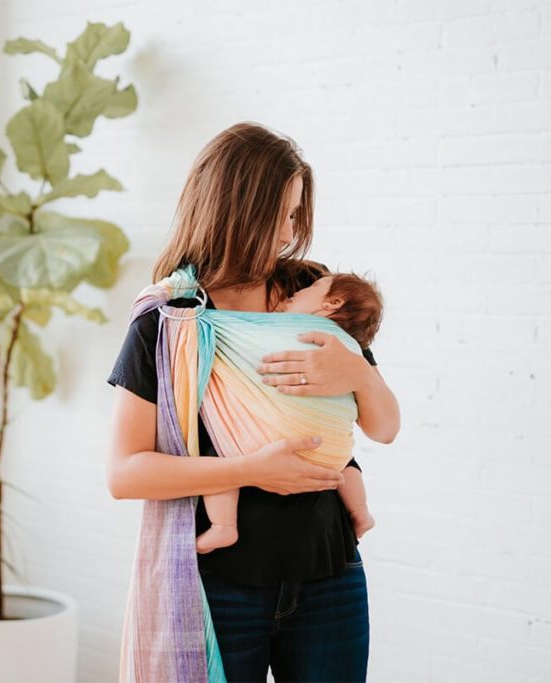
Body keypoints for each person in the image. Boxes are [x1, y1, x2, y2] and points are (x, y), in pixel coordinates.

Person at [106, 122, 400, 682]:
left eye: (296, 214)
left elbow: (384, 426)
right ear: (240, 208)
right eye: (284, 213)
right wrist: (251, 470)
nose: (292, 232)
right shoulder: (169, 321)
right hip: (221, 589)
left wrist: (357, 372)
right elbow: (123, 473)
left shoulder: (310, 293)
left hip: (329, 577)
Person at [196, 270, 386, 555]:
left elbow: (387, 428)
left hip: (268, 441)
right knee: (343, 460)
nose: (297, 292)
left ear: (333, 302)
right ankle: (360, 510)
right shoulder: (347, 345)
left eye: (315, 287)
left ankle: (223, 526)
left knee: (220, 452)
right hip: (330, 449)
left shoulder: (298, 329)